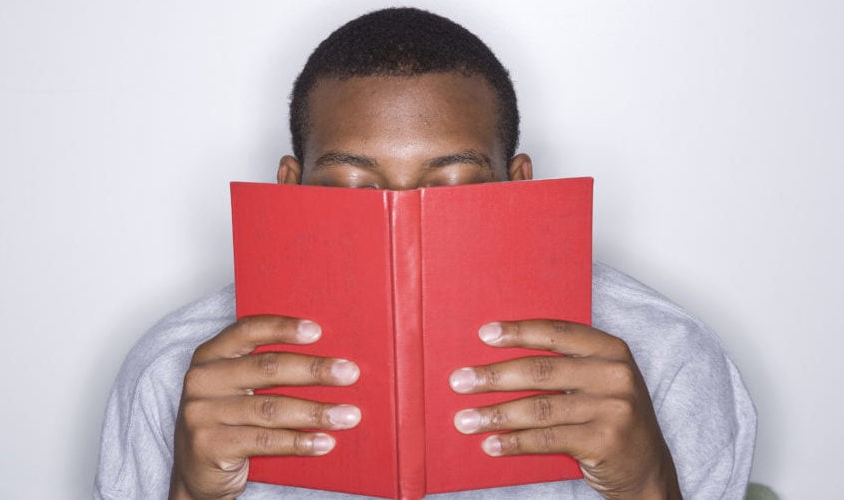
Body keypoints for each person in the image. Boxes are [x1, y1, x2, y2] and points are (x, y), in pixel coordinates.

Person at [96, 7, 756, 500]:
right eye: (353, 187)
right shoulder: (176, 370)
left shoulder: (666, 354)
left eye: (454, 187)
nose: (403, 220)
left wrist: (645, 483)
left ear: (517, 185)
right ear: (290, 188)